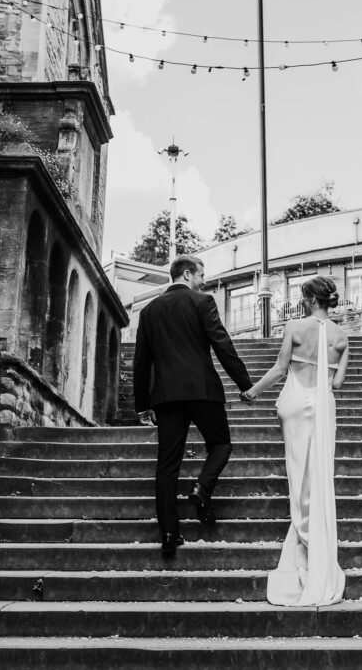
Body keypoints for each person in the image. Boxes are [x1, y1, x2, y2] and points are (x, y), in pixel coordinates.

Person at [133, 254, 254, 557]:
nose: (204, 280)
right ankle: (202, 489)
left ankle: (170, 533)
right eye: (201, 275)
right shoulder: (203, 302)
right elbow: (222, 343)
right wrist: (245, 384)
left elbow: (141, 361)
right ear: (187, 274)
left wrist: (142, 405)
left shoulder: (149, 311)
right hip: (203, 390)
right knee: (221, 443)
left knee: (167, 464)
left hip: (166, 396)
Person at [242, 276, 348, 606]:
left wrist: (252, 392)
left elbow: (279, 368)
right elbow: (339, 383)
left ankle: (303, 539)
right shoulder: (342, 336)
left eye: (303, 297)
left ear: (310, 299)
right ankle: (314, 545)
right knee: (318, 476)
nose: (301, 302)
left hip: (295, 400)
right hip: (323, 407)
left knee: (298, 473)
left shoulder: (294, 327)